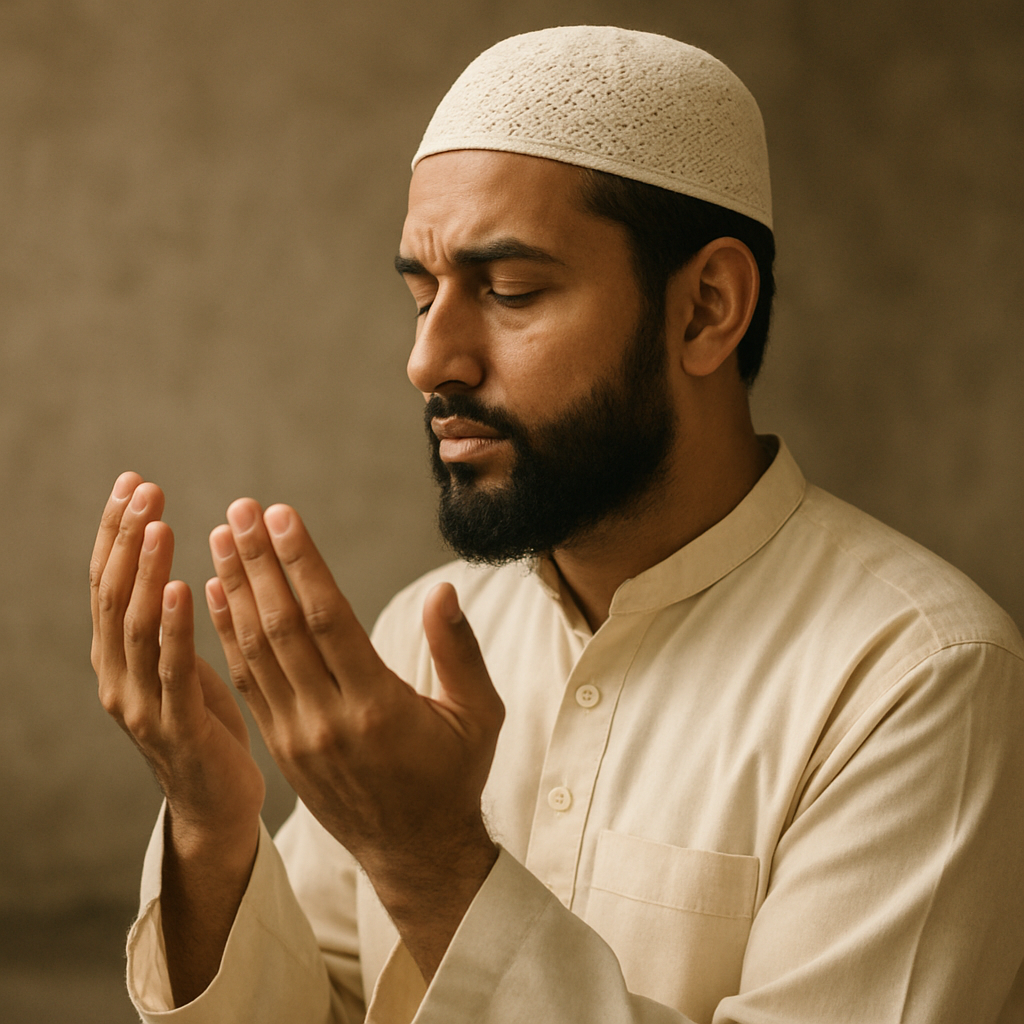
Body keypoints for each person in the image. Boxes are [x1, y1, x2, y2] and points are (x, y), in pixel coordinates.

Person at [89, 26, 1024, 1024]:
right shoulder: (426, 633)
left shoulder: (919, 676)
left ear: (706, 309)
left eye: (509, 291)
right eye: (420, 295)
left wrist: (432, 860)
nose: (429, 360)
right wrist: (210, 831)